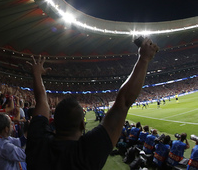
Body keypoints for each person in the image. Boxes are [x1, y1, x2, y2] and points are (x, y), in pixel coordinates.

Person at [25, 38, 159, 170]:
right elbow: (123, 102)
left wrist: (37, 74)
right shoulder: (89, 151)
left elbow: (41, 101)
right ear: (82, 125)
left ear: (53, 122)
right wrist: (144, 59)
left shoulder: (37, 143)